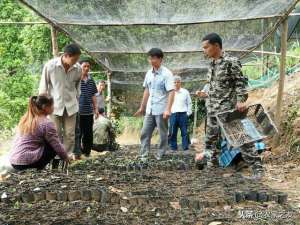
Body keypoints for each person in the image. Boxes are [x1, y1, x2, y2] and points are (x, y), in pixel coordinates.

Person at [195, 33, 263, 179]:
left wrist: (241, 100)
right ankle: (211, 170)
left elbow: (240, 83)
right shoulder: (212, 63)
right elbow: (215, 86)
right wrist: (205, 94)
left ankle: (257, 169)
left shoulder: (231, 61)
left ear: (216, 46)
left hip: (228, 111)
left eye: (206, 47)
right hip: (213, 110)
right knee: (210, 142)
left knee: (241, 139)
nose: (204, 50)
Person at [39, 43, 82, 157]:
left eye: (78, 59)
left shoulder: (78, 68)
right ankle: (54, 156)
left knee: (70, 134)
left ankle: (65, 157)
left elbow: (78, 85)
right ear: (66, 55)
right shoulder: (50, 66)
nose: (76, 61)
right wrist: (43, 107)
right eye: (74, 59)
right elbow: (43, 87)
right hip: (54, 106)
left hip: (71, 105)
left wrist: (77, 97)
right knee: (55, 133)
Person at [134, 48, 175, 161]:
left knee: (162, 134)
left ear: (160, 59)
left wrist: (168, 109)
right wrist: (142, 107)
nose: (151, 60)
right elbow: (147, 90)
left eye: (154, 58)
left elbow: (171, 92)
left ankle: (161, 154)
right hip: (150, 109)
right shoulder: (149, 73)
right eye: (150, 58)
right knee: (145, 132)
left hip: (161, 109)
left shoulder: (167, 74)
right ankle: (144, 154)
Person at [9, 95, 70, 170]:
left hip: (14, 161)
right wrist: (66, 158)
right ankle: (39, 167)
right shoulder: (46, 123)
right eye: (52, 105)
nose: (54, 107)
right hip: (26, 162)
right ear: (45, 107)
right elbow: (56, 145)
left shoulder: (26, 118)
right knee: (53, 144)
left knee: (48, 140)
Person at [74, 59, 98, 159]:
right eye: (84, 66)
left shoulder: (91, 80)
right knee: (78, 132)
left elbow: (93, 95)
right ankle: (77, 153)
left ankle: (87, 152)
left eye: (88, 66)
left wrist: (96, 108)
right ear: (80, 67)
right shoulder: (76, 79)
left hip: (89, 111)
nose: (87, 68)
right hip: (77, 111)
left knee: (88, 133)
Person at [169, 75, 192, 151]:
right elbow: (167, 103)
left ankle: (185, 147)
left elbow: (189, 103)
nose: (176, 83)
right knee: (172, 132)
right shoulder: (170, 93)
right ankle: (173, 147)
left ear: (180, 83)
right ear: (173, 83)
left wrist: (188, 113)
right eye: (174, 82)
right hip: (173, 114)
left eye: (177, 82)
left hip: (183, 114)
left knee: (184, 132)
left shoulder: (185, 92)